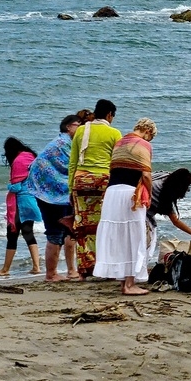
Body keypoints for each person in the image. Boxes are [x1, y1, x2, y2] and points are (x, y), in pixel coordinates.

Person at [93, 118, 156, 295]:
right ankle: (130, 284)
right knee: (134, 236)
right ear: (147, 131)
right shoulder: (143, 144)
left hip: (112, 193)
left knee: (118, 237)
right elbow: (146, 175)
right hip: (129, 194)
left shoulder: (119, 143)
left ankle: (123, 283)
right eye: (150, 137)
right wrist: (149, 194)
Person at [68, 99, 122, 278]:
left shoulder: (82, 130)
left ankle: (85, 268)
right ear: (109, 115)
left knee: (83, 227)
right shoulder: (114, 133)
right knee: (106, 224)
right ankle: (105, 266)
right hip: (103, 182)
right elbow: (117, 163)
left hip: (81, 181)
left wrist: (71, 189)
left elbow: (73, 162)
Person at [25, 114, 81, 281]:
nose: (81, 129)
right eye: (78, 125)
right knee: (55, 233)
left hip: (59, 193)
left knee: (66, 231)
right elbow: (68, 165)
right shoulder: (61, 144)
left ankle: (66, 271)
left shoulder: (68, 143)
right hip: (49, 194)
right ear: (68, 127)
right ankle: (51, 274)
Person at [0, 137, 42, 276]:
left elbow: (16, 186)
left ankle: (5, 269)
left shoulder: (18, 161)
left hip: (21, 202)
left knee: (12, 234)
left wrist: (8, 186)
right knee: (28, 233)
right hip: (31, 200)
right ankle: (36, 267)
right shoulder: (30, 157)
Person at [147, 168, 191, 256]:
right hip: (139, 215)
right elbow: (175, 221)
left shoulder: (164, 177)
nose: (187, 189)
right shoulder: (162, 192)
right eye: (187, 186)